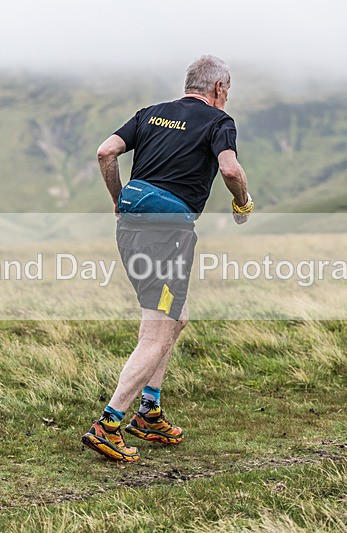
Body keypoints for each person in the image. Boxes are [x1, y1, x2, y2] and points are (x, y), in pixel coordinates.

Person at [81, 54, 254, 462]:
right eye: (228, 90)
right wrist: (242, 203)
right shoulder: (219, 122)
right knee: (158, 331)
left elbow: (106, 152)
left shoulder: (151, 113)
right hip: (168, 234)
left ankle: (149, 411)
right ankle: (108, 423)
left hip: (131, 225)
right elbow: (230, 171)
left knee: (176, 316)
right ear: (219, 88)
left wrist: (118, 200)